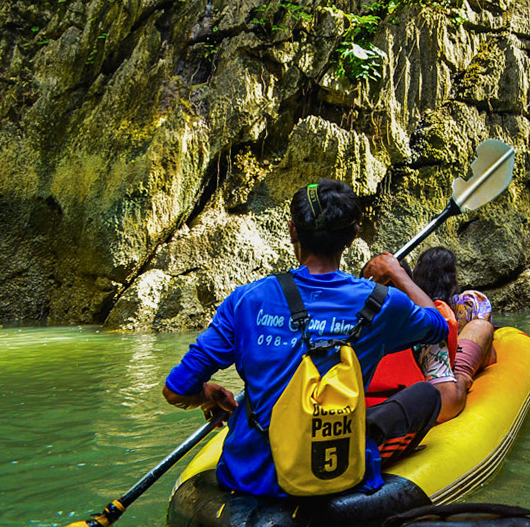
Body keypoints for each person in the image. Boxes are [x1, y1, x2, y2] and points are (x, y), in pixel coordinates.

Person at [162, 179, 449, 498]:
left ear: (292, 231)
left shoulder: (247, 300)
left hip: (250, 478)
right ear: (354, 236)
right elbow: (440, 323)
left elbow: (176, 390)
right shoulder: (384, 304)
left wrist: (206, 394)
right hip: (335, 469)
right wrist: (396, 272)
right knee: (426, 394)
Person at [367, 246, 496, 425]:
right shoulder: (428, 325)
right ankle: (461, 369)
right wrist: (461, 378)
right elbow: (446, 406)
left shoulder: (338, 324)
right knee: (481, 327)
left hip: (362, 419)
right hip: (404, 419)